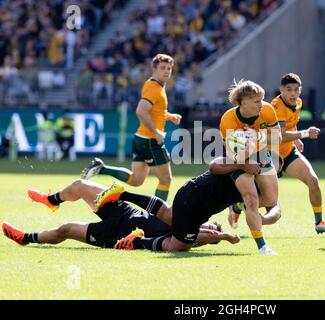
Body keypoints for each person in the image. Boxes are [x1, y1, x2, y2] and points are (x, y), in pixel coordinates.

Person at [2, 179, 238, 249]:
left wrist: (225, 236)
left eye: (214, 227)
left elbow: (208, 236)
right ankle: (51, 200)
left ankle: (26, 239)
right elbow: (158, 206)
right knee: (80, 185)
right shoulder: (186, 216)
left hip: (117, 233)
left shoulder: (189, 236)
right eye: (214, 223)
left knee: (66, 229)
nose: (211, 224)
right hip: (126, 211)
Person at [113, 157, 282, 255]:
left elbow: (276, 209)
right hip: (195, 201)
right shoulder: (243, 160)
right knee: (179, 246)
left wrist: (264, 220)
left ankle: (122, 194)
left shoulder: (267, 188)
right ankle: (136, 242)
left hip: (193, 201)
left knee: (169, 215)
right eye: (270, 165)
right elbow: (214, 165)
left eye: (275, 171)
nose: (270, 171)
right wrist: (242, 165)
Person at [80, 54, 182, 201]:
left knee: (136, 180)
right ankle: (157, 216)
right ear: (154, 69)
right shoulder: (155, 88)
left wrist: (169, 116)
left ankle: (101, 168)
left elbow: (155, 111)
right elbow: (141, 111)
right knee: (166, 180)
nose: (166, 71)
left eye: (169, 68)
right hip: (150, 141)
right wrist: (156, 132)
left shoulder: (153, 85)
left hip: (140, 139)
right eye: (162, 68)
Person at [219, 79, 282, 255]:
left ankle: (237, 206)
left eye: (261, 99)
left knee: (271, 200)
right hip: (238, 159)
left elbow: (277, 139)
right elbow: (234, 154)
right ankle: (263, 246)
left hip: (261, 154)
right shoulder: (228, 119)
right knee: (251, 199)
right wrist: (246, 159)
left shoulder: (268, 110)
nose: (261, 104)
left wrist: (256, 138)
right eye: (256, 101)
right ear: (243, 102)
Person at [270, 73, 325, 233]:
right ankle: (237, 207)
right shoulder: (277, 107)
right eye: (288, 89)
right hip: (270, 156)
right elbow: (280, 136)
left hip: (288, 153)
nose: (293, 93)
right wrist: (305, 134)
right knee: (263, 197)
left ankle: (319, 223)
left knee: (313, 181)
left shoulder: (298, 103)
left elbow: (290, 126)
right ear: (281, 90)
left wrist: (295, 140)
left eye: (296, 89)